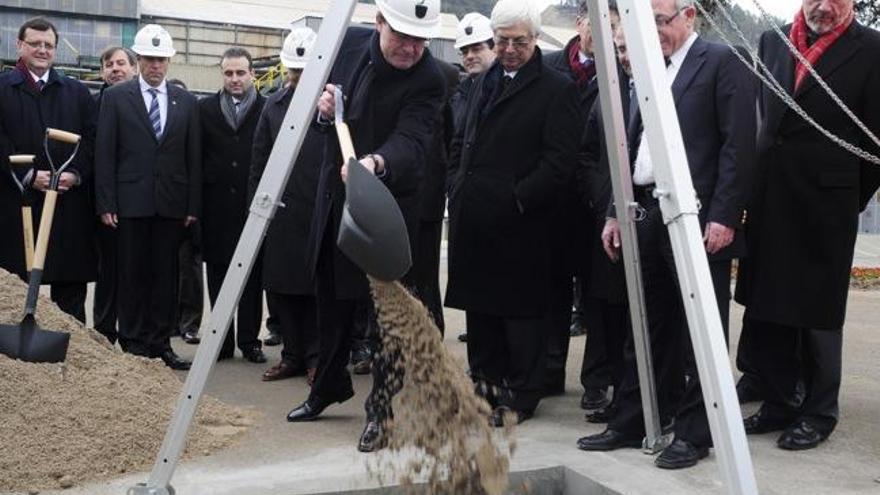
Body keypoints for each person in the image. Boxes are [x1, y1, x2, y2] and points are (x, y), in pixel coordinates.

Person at [578, 0, 755, 470]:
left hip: (698, 219)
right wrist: (617, 210)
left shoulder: (721, 62)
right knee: (647, 324)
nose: (652, 32)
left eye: (661, 20)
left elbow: (739, 144)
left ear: (689, 15)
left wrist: (724, 215)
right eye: (645, 23)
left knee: (701, 332)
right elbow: (631, 144)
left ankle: (696, 432)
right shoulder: (646, 72)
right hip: (646, 211)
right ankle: (634, 417)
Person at [285, 0, 445, 457]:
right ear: (378, 23)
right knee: (331, 298)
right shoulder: (347, 44)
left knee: (386, 314)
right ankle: (328, 387)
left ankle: (382, 410)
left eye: (420, 40)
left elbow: (413, 142)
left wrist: (374, 164)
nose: (411, 48)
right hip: (336, 200)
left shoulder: (430, 78)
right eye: (401, 36)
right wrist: (325, 110)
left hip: (388, 205)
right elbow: (324, 120)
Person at [735, 0, 880, 451]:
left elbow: (875, 141)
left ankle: (818, 412)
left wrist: (847, 196)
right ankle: (779, 401)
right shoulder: (773, 39)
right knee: (771, 301)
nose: (822, 6)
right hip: (771, 194)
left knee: (818, 312)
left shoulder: (872, 49)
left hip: (827, 201)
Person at [445, 0, 583, 426]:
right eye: (501, 41)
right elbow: (459, 138)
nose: (508, 49)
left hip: (522, 223)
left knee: (521, 317)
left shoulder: (556, 88)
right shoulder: (481, 81)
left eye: (518, 41)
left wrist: (518, 198)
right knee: (481, 314)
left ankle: (521, 394)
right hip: (475, 218)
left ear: (535, 39)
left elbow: (559, 162)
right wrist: (457, 183)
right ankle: (484, 386)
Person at [95, 24, 201, 370]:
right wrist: (106, 203)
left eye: (162, 60)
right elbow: (105, 154)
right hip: (130, 204)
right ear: (139, 60)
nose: (156, 66)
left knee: (165, 277)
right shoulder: (115, 98)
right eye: (150, 59)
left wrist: (191, 206)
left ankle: (160, 344)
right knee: (131, 275)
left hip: (170, 205)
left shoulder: (185, 101)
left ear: (169, 62)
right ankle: (134, 342)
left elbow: (193, 157)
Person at [542, 0, 620, 402]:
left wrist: (599, 193)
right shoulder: (549, 65)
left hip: (597, 201)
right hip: (553, 201)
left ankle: (596, 381)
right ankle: (550, 369)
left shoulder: (620, 72)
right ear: (580, 23)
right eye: (597, 22)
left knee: (597, 295)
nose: (602, 31)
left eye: (612, 25)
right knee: (552, 289)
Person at [0, 17, 97, 323]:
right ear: (20, 45)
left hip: (66, 206)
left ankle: (73, 346)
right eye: (35, 44)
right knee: (12, 287)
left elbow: (93, 140)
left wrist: (75, 172)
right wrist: (28, 174)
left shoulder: (76, 92)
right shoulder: (3, 89)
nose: (42, 50)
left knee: (69, 290)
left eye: (48, 45)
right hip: (16, 203)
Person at [252, 28, 321, 383]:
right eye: (293, 71)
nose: (297, 78)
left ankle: (315, 357)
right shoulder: (273, 106)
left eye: (303, 71)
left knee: (313, 290)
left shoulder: (329, 106)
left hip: (319, 212)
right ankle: (292, 355)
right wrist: (257, 210)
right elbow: (260, 159)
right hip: (281, 211)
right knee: (281, 288)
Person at [577, 20, 632, 424]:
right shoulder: (606, 95)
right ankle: (598, 380)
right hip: (607, 217)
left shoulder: (663, 89)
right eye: (619, 49)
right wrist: (608, 203)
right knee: (603, 305)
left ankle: (632, 389)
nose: (624, 57)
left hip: (648, 218)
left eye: (629, 49)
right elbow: (588, 156)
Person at [199, 47, 267, 363]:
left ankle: (250, 341)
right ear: (222, 74)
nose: (235, 79)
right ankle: (221, 341)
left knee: (252, 277)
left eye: (241, 72)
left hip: (253, 207)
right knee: (219, 275)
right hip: (215, 209)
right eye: (229, 73)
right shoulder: (206, 110)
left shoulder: (267, 109)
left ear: (252, 74)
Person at [450, 12, 496, 344]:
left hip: (498, 200)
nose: (470, 56)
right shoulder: (461, 91)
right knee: (469, 277)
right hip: (465, 199)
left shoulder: (504, 87)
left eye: (477, 47)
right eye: (464, 50)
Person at [92, 46, 137, 344]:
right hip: (106, 204)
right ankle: (104, 334)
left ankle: (135, 335)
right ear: (101, 72)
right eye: (109, 65)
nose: (115, 69)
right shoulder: (93, 104)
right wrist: (105, 202)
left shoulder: (145, 104)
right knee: (108, 272)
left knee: (136, 274)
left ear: (134, 67)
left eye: (121, 63)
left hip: (139, 202)